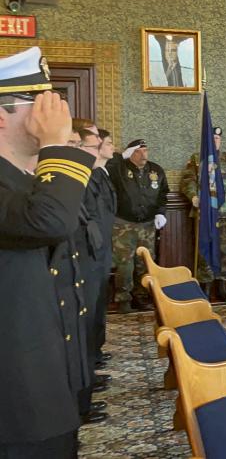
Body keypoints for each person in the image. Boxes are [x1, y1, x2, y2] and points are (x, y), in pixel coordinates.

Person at [0, 47, 95, 457]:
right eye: (38, 104)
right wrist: (57, 143)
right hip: (15, 400)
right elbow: (50, 221)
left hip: (46, 383)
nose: (53, 114)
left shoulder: (22, 180)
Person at [70, 125, 112, 426]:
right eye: (92, 144)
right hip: (83, 257)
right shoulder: (76, 177)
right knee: (81, 326)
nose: (99, 149)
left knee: (93, 317)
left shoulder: (96, 174)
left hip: (97, 252)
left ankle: (89, 378)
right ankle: (80, 403)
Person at [181, 126, 226, 302]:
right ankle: (206, 288)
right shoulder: (197, 158)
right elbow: (188, 180)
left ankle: (223, 287)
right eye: (212, 138)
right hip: (206, 215)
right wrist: (193, 196)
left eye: (218, 138)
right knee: (205, 251)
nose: (215, 140)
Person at [107, 138, 169, 313]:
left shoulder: (155, 170)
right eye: (139, 151)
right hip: (123, 224)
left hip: (147, 224)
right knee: (124, 264)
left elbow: (163, 194)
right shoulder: (119, 168)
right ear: (131, 152)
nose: (144, 154)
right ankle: (123, 299)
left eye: (145, 150)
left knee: (144, 262)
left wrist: (160, 213)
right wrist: (120, 156)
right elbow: (106, 167)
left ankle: (141, 297)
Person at [92, 128, 117, 368]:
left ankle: (95, 353)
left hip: (102, 247)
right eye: (108, 143)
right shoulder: (91, 175)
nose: (113, 147)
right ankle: (91, 359)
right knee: (92, 306)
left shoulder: (103, 173)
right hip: (93, 249)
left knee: (99, 304)